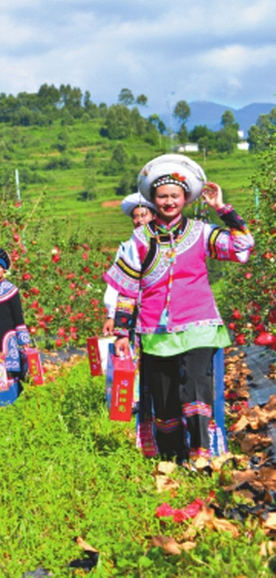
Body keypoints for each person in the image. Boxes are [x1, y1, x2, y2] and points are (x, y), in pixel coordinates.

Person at [104, 154, 253, 463]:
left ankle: (202, 457)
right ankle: (173, 459)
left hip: (199, 324)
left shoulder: (202, 232)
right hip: (155, 330)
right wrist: (121, 331)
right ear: (152, 200)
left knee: (196, 389)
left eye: (175, 195)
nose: (169, 201)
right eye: (162, 196)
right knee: (165, 395)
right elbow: (127, 289)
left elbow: (242, 247)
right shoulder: (139, 239)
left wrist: (223, 210)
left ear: (185, 198)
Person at [0, 247, 32, 406]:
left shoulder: (11, 290)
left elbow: (18, 317)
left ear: (4, 269)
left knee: (8, 371)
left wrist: (23, 339)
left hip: (6, 336)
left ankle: (8, 404)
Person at [101, 193, 156, 336]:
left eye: (143, 215)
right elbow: (118, 285)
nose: (139, 220)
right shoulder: (126, 248)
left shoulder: (166, 243)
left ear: (153, 217)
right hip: (134, 312)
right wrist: (111, 316)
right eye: (135, 216)